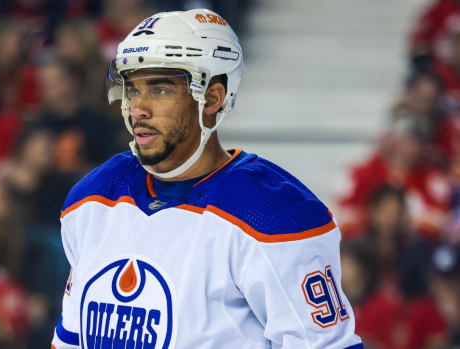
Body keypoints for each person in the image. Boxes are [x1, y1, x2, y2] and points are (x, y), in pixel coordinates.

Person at [51, 9, 363, 348]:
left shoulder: (272, 214)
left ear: (212, 98)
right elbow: (71, 340)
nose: (138, 106)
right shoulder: (93, 197)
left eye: (159, 89)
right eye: (133, 87)